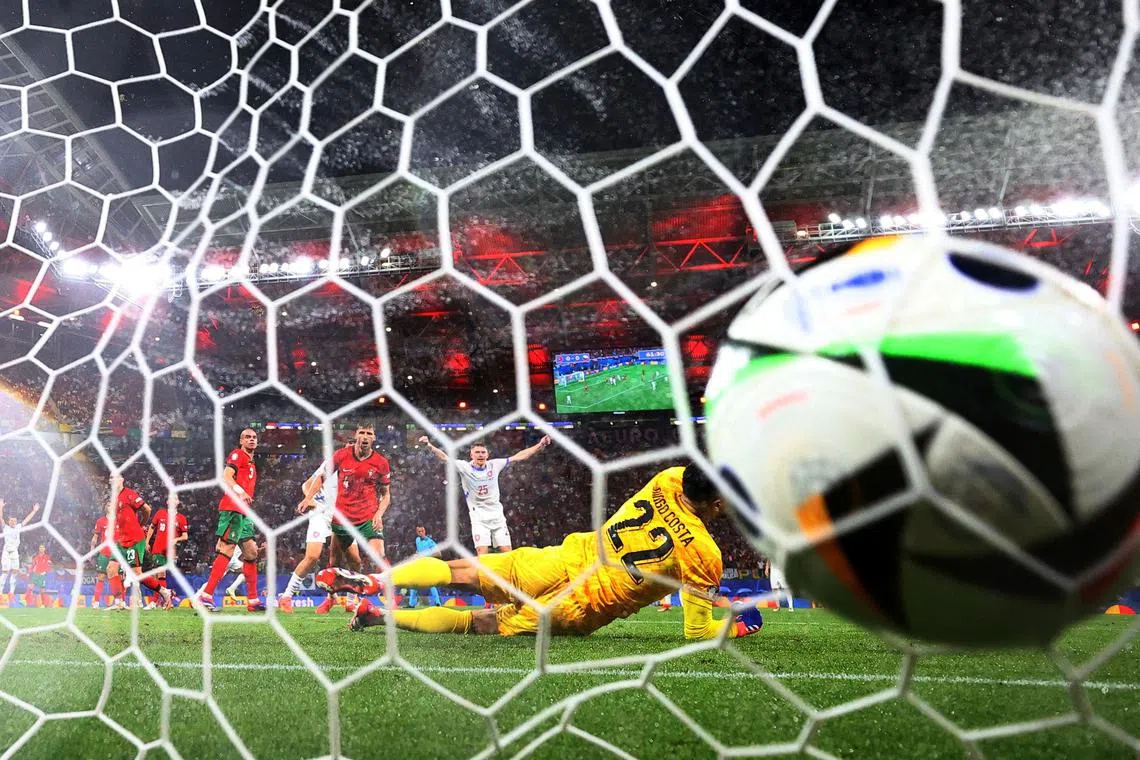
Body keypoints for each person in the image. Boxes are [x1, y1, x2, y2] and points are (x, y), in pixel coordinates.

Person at [318, 465, 764, 640]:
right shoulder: (703, 552)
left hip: (564, 557)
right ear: (719, 503)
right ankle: (380, 616)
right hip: (581, 604)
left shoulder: (668, 478)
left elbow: (697, 475)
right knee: (479, 622)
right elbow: (696, 633)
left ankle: (377, 582)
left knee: (462, 571)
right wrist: (741, 628)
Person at [297, 424, 391, 614]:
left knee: (378, 556)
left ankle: (383, 598)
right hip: (342, 517)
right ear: (356, 436)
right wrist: (308, 498)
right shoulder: (341, 455)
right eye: (362, 433)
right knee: (334, 561)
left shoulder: (381, 462)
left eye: (369, 434)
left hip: (368, 516)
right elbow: (322, 477)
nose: (365, 436)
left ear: (374, 438)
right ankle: (330, 599)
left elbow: (386, 494)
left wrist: (379, 514)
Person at [417, 435, 552, 555]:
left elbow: (519, 456)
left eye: (483, 452)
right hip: (479, 519)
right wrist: (429, 446)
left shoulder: (495, 465)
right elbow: (445, 457)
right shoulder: (464, 467)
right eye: (477, 452)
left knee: (507, 553)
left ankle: (506, 583)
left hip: (497, 517)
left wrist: (540, 445)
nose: (480, 455)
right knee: (483, 553)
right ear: (472, 455)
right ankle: (486, 582)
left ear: (487, 454)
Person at [195, 428, 264, 612]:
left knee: (251, 554)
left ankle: (253, 601)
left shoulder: (251, 462)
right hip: (232, 509)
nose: (251, 440)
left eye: (254, 437)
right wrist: (240, 492)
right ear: (241, 441)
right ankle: (206, 596)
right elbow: (226, 476)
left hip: (244, 513)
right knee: (226, 549)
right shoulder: (237, 455)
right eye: (247, 437)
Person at [278, 463, 338, 613]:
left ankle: (335, 598)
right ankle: (286, 597)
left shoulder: (361, 466)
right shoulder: (334, 461)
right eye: (349, 442)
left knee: (343, 558)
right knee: (312, 556)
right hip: (321, 513)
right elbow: (307, 484)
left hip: (343, 514)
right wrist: (309, 498)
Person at [110, 477, 172, 610]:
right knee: (111, 569)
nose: (112, 480)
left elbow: (147, 509)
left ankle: (164, 592)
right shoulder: (114, 499)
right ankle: (119, 602)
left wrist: (141, 524)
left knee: (137, 574)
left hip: (134, 540)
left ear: (122, 479)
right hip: (121, 541)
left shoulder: (129, 494)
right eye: (110, 477)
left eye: (115, 477)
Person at [146, 494, 188, 607]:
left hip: (169, 551)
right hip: (157, 548)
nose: (172, 500)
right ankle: (164, 599)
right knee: (156, 576)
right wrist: (147, 541)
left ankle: (155, 602)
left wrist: (176, 540)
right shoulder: (160, 513)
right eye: (170, 498)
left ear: (178, 502)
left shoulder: (181, 518)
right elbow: (152, 527)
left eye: (175, 498)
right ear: (167, 502)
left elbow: (185, 536)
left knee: (161, 573)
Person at [1, 499, 38, 606]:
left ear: (16, 522)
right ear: (9, 521)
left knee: (14, 572)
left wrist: (34, 511)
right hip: (6, 552)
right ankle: (0, 595)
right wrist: (1, 507)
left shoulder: (18, 527)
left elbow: (26, 520)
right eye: (11, 521)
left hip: (15, 553)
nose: (13, 522)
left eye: (14, 521)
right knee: (5, 573)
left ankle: (11, 594)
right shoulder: (5, 528)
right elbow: (0, 518)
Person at [407, 526, 442, 608]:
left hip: (428, 565)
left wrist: (426, 555)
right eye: (419, 531)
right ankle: (412, 604)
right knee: (413, 583)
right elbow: (419, 551)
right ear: (417, 532)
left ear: (425, 531)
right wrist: (416, 555)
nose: (421, 533)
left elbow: (439, 554)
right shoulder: (417, 540)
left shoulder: (430, 542)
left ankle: (437, 603)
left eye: (422, 531)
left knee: (431, 584)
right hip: (419, 564)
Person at [90, 511, 115, 608]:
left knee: (117, 577)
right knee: (101, 577)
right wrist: (92, 550)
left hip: (115, 553)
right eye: (107, 504)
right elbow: (95, 537)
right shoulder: (101, 521)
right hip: (104, 553)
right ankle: (96, 602)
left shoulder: (118, 519)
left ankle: (120, 601)